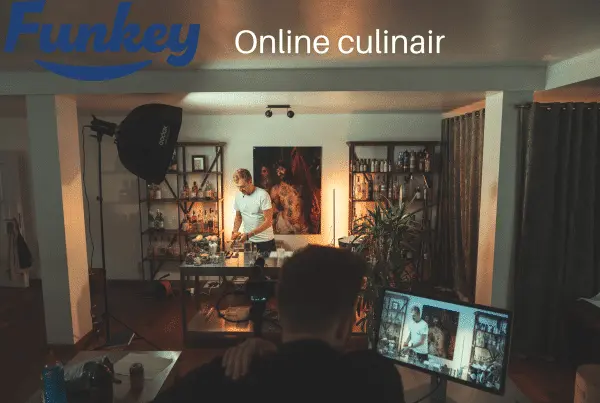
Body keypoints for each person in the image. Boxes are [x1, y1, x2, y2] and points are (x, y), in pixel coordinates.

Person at [153, 245, 405, 403]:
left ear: (280, 313)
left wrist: (273, 356)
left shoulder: (229, 374)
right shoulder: (376, 379)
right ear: (344, 325)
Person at [231, 168, 276, 253]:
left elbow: (268, 221)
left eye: (242, 186)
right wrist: (235, 231)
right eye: (238, 187)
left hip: (265, 242)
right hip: (248, 242)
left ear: (250, 181)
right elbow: (238, 217)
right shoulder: (238, 196)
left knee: (267, 262)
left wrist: (249, 235)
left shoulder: (263, 195)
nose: (241, 190)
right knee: (248, 262)